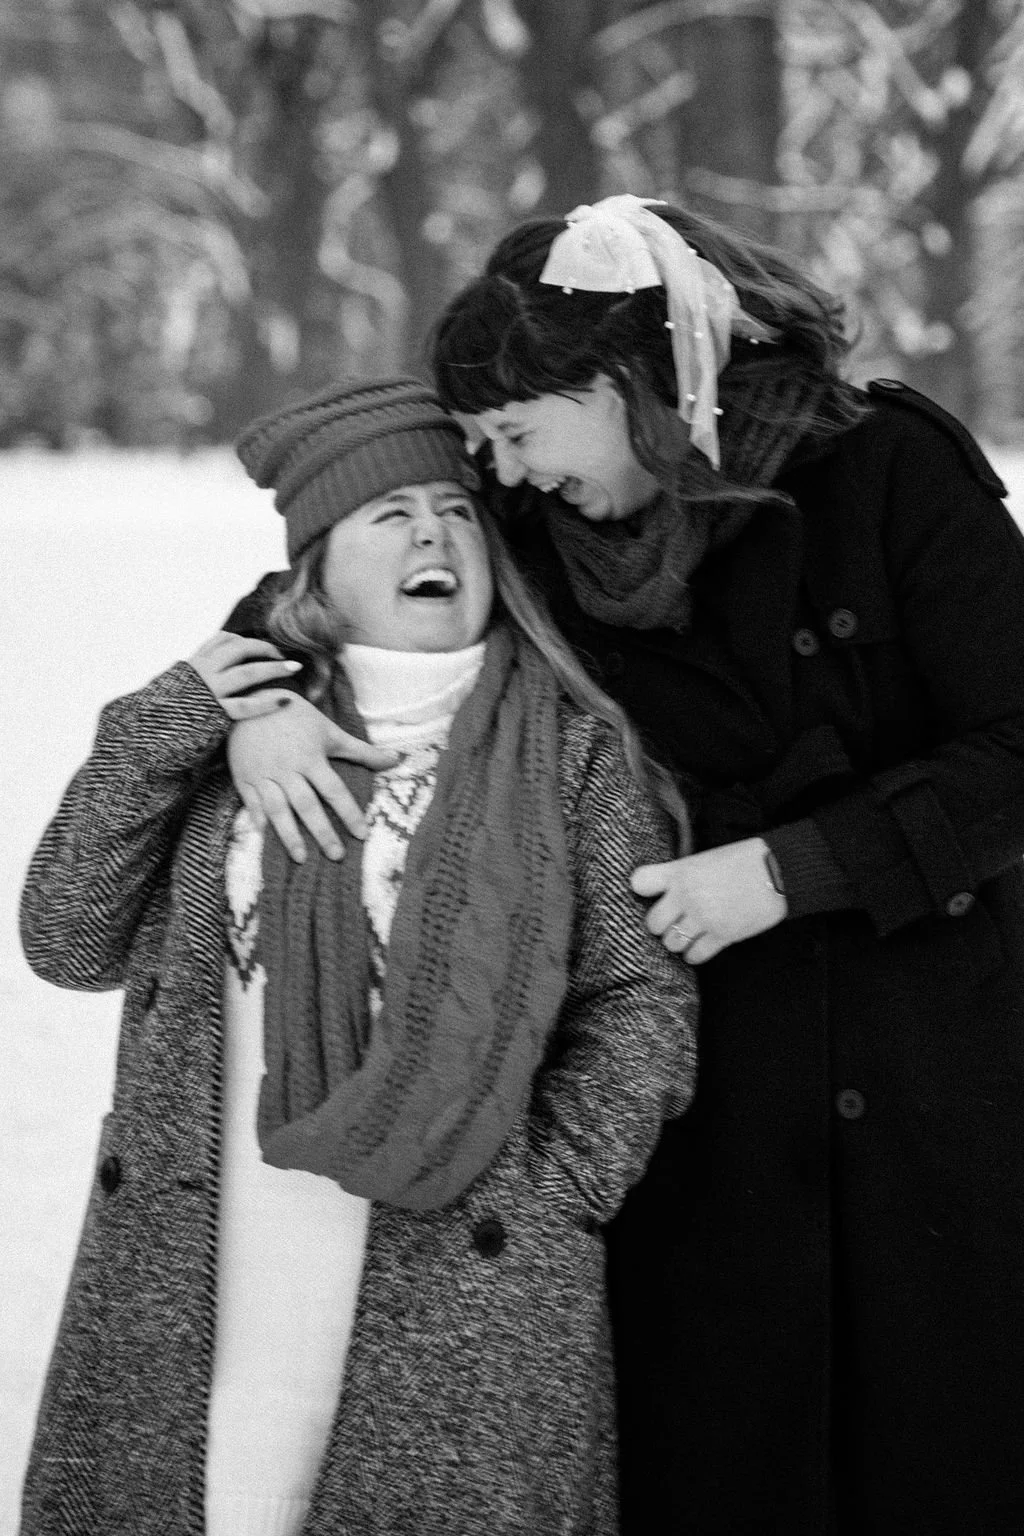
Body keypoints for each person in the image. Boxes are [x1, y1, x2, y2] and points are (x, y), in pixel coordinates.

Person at [225, 198, 1024, 1535]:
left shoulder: (890, 471)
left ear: (618, 387)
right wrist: (260, 696)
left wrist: (790, 869)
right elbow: (342, 575)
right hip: (694, 1113)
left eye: (520, 433)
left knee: (937, 1456)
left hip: (928, 1080)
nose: (506, 473)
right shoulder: (529, 522)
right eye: (484, 447)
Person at [18, 376, 698, 1536]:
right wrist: (165, 724)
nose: (433, 536)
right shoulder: (233, 735)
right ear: (317, 573)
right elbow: (69, 939)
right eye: (390, 515)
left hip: (465, 1274)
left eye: (457, 512)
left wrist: (556, 1189)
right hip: (207, 1262)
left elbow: (638, 1000)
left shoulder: (574, 755)